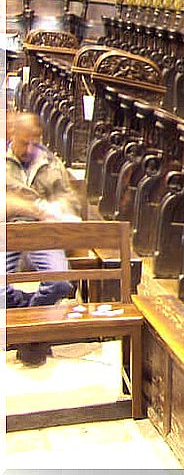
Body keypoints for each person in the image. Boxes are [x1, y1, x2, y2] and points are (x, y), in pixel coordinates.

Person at [6, 111, 84, 365]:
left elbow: (70, 200)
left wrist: (58, 208)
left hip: (43, 232)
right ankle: (34, 329)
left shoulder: (50, 162)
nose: (29, 148)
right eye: (23, 142)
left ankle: (28, 330)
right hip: (7, 232)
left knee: (60, 284)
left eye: (34, 141)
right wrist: (28, 206)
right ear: (12, 135)